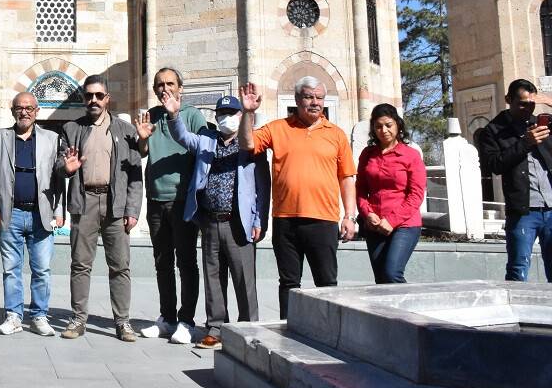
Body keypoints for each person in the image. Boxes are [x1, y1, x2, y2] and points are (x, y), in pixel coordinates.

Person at [238, 79, 358, 318]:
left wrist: (350, 216)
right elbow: (247, 143)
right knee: (289, 283)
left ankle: (330, 332)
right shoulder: (278, 128)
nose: (314, 102)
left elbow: (346, 178)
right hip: (286, 220)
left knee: (326, 284)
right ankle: (288, 332)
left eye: (319, 97)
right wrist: (247, 113)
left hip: (323, 220)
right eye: (308, 97)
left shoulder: (336, 135)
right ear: (296, 100)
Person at [165, 94, 270, 350]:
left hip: (238, 222)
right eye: (221, 114)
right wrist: (174, 115)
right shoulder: (207, 141)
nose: (225, 119)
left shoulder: (250, 146)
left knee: (244, 278)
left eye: (231, 114)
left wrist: (259, 220)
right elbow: (183, 137)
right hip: (210, 220)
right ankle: (216, 328)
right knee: (213, 277)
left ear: (241, 116)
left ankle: (248, 328)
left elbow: (262, 188)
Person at [56, 75, 147, 342]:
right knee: (80, 264)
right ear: (83, 98)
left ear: (107, 98)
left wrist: (132, 209)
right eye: (88, 96)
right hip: (84, 203)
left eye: (98, 95)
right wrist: (66, 168)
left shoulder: (124, 130)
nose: (93, 100)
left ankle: (122, 321)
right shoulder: (71, 128)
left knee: (120, 265)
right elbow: (59, 166)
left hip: (115, 203)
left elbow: (135, 174)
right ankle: (78, 318)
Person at [0, 91, 65, 337]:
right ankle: (14, 316)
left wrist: (59, 210)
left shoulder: (52, 139)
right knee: (11, 269)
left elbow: (59, 176)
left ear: (37, 111)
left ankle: (39, 315)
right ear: (12, 111)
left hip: (41, 214)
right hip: (11, 213)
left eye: (29, 108)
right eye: (19, 108)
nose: (24, 112)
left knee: (41, 269)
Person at [139, 68, 206, 345]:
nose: (164, 88)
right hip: (156, 199)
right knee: (162, 262)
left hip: (183, 201)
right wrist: (142, 139)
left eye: (170, 83)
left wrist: (175, 115)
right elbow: (142, 152)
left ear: (180, 88)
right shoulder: (151, 116)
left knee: (187, 262)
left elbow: (202, 148)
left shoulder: (192, 115)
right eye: (159, 84)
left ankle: (186, 321)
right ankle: (166, 318)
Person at [475, 79, 552, 282]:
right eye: (522, 103)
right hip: (523, 210)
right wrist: (525, 143)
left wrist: (550, 101)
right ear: (508, 99)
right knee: (518, 269)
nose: (528, 108)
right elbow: (494, 165)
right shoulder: (493, 131)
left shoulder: (543, 124)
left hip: (551, 207)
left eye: (532, 104)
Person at [355, 104, 426, 284]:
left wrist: (392, 220)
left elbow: (416, 195)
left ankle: (408, 311)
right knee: (381, 279)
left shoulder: (411, 155)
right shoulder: (368, 154)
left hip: (404, 224)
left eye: (388, 125)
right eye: (378, 126)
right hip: (375, 223)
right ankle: (385, 313)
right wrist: (367, 213)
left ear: (398, 125)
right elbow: (361, 188)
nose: (384, 130)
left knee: (391, 273)